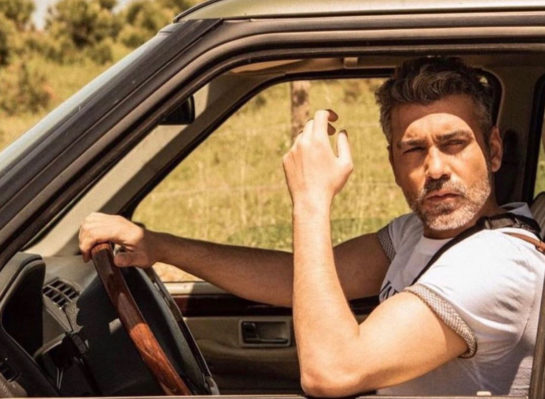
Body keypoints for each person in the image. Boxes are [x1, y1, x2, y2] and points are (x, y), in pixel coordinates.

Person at [79, 57, 545, 397]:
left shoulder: (496, 262)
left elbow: (332, 372)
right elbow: (295, 278)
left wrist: (311, 200)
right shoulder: (414, 233)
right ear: (393, 163)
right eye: (414, 150)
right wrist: (160, 245)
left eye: (453, 144)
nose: (436, 168)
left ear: (494, 151)